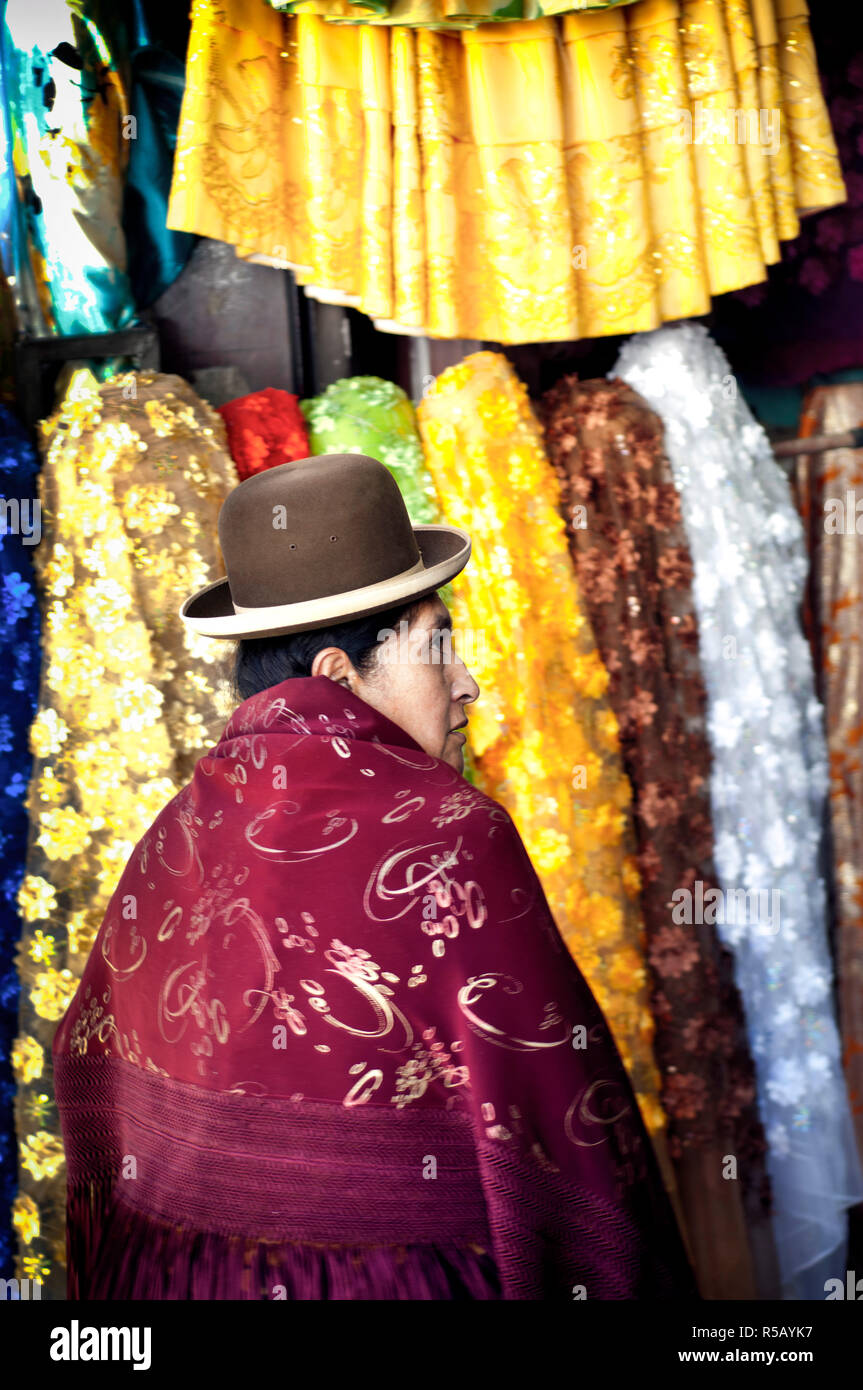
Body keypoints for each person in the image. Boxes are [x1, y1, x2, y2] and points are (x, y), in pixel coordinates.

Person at [52, 452, 697, 1300]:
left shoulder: (176, 828)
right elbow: (564, 1126)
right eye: (438, 646)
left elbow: (87, 1076)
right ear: (336, 675)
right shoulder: (450, 832)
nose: (467, 684)